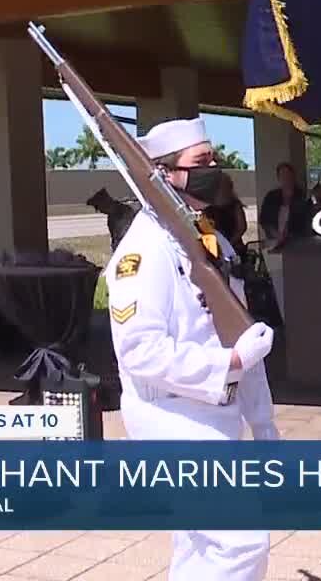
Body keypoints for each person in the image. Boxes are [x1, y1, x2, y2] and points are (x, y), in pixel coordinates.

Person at [105, 117, 279, 581]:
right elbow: (139, 350)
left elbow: (236, 331)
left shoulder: (208, 237)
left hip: (214, 415)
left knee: (199, 546)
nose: (215, 168)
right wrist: (229, 363)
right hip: (171, 418)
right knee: (242, 541)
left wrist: (263, 424)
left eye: (214, 158)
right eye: (202, 161)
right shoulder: (143, 251)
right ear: (165, 174)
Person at [258, 162, 311, 249]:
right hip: (274, 240)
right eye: (282, 175)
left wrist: (290, 234)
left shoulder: (302, 196)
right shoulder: (271, 196)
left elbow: (306, 221)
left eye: (288, 175)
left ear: (293, 176)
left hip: (296, 241)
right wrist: (275, 234)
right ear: (278, 178)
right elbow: (264, 219)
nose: (286, 178)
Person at [204, 172, 248, 259]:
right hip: (214, 247)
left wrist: (228, 244)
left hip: (234, 247)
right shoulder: (207, 205)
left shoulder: (235, 205)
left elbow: (242, 227)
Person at [87, 188, 139, 252]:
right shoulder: (111, 219)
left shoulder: (125, 211)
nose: (100, 211)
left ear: (106, 203)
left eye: (99, 208)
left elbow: (127, 235)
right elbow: (114, 238)